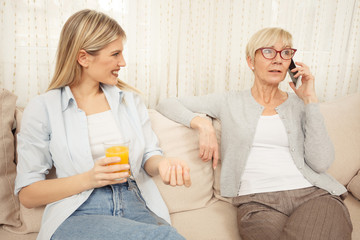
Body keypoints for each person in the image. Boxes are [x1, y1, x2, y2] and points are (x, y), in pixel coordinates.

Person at [156, 27, 352, 240]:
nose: (278, 59)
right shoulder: (229, 101)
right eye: (268, 51)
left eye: (286, 53)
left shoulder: (300, 105)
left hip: (313, 195)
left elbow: (321, 163)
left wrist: (310, 101)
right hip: (258, 203)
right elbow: (167, 104)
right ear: (251, 61)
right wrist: (202, 124)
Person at [15, 9, 190, 240]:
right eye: (115, 54)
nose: (123, 62)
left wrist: (163, 165)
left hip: (134, 202)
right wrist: (90, 178)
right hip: (79, 210)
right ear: (83, 57)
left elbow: (149, 156)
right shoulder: (43, 108)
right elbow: (28, 194)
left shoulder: (129, 101)